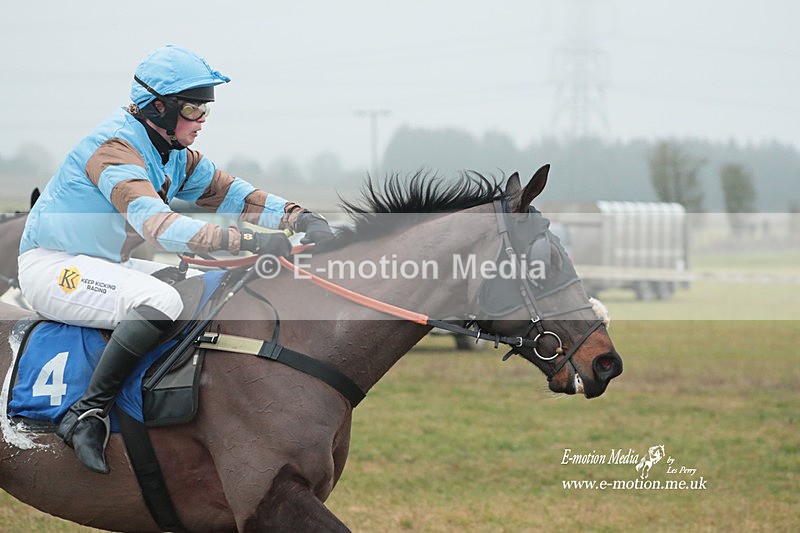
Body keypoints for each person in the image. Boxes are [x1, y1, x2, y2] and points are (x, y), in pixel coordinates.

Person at [17, 45, 334, 474]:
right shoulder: (113, 150)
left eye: (205, 110)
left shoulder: (173, 154)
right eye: (193, 109)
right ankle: (85, 414)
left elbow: (235, 194)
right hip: (55, 266)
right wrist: (246, 240)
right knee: (162, 301)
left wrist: (298, 217)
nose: (202, 121)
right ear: (159, 107)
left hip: (105, 264)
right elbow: (157, 225)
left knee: (204, 285)